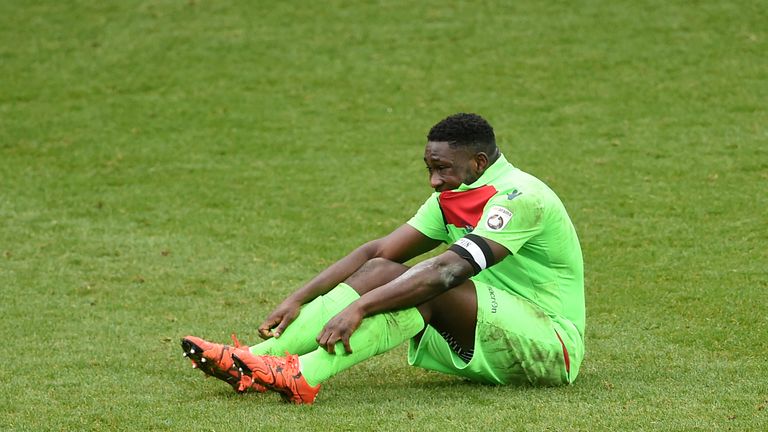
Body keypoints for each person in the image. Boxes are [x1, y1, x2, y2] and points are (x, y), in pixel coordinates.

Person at [181, 113, 585, 404]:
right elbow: (376, 254)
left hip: (549, 346)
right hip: (487, 326)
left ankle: (303, 375)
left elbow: (446, 273)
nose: (433, 180)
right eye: (429, 168)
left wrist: (358, 308)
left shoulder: (521, 198)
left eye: (441, 168)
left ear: (478, 162)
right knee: (382, 271)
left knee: (430, 285)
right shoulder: (450, 198)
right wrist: (298, 298)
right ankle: (255, 360)